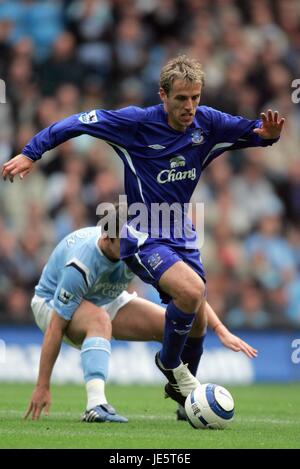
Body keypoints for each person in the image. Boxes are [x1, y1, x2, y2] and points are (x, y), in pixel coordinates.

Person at [2, 55, 280, 408]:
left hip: (180, 231)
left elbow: (252, 130)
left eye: (195, 97)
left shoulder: (208, 123)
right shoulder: (135, 123)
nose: (189, 106)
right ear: (162, 95)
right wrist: (31, 153)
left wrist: (267, 137)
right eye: (181, 98)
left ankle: (185, 400)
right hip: (140, 233)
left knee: (195, 320)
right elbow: (77, 123)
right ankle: (168, 362)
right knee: (192, 291)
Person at [23, 206, 257, 422]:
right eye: (125, 241)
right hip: (51, 305)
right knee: (99, 320)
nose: (132, 246)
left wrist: (220, 329)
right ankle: (96, 405)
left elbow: (188, 291)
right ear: (107, 237)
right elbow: (55, 327)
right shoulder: (81, 263)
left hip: (106, 299)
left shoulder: (135, 248)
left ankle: (185, 398)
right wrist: (42, 385)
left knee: (173, 326)